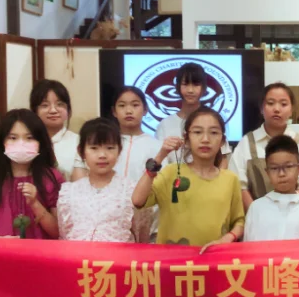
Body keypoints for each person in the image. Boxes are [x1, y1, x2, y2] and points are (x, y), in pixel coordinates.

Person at [132, 108, 244, 249]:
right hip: (173, 258)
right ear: (186, 139)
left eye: (214, 133)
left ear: (222, 141)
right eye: (197, 132)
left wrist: (228, 238)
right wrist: (160, 156)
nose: (205, 139)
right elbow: (138, 200)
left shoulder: (230, 179)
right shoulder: (171, 173)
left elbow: (239, 222)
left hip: (214, 257)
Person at [0, 109, 64, 239]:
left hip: (41, 251)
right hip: (0, 251)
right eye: (13, 138)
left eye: (29, 138)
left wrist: (35, 204)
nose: (21, 144)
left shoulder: (51, 178)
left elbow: (58, 232)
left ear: (40, 142)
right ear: (3, 141)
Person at [57, 118, 149, 243]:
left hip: (120, 255)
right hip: (77, 255)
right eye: (94, 148)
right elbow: (63, 234)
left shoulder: (132, 190)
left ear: (119, 150)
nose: (102, 155)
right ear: (81, 151)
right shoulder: (68, 192)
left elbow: (141, 234)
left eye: (110, 148)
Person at [230, 82, 299, 211]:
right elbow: (239, 185)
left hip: (294, 213)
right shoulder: (247, 143)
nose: (277, 109)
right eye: (270, 103)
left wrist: (284, 210)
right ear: (261, 109)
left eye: (283, 104)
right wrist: (257, 212)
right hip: (256, 215)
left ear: (291, 110)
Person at [243, 135, 299, 242]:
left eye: (288, 166)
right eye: (274, 168)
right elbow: (249, 247)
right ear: (267, 172)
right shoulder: (256, 208)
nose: (281, 174)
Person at [74, 86, 162, 182]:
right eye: (122, 105)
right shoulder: (100, 141)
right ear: (114, 111)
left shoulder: (157, 145)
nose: (128, 111)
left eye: (135, 105)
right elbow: (80, 177)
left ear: (145, 109)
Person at [154, 62, 231, 168]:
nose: (190, 90)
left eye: (195, 85)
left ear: (204, 88)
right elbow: (161, 160)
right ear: (177, 87)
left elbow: (223, 160)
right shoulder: (165, 124)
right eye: (185, 84)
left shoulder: (215, 120)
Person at [29, 79, 83, 181]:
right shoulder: (27, 142)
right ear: (34, 111)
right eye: (45, 105)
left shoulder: (79, 142)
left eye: (60, 104)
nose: (53, 110)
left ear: (68, 110)